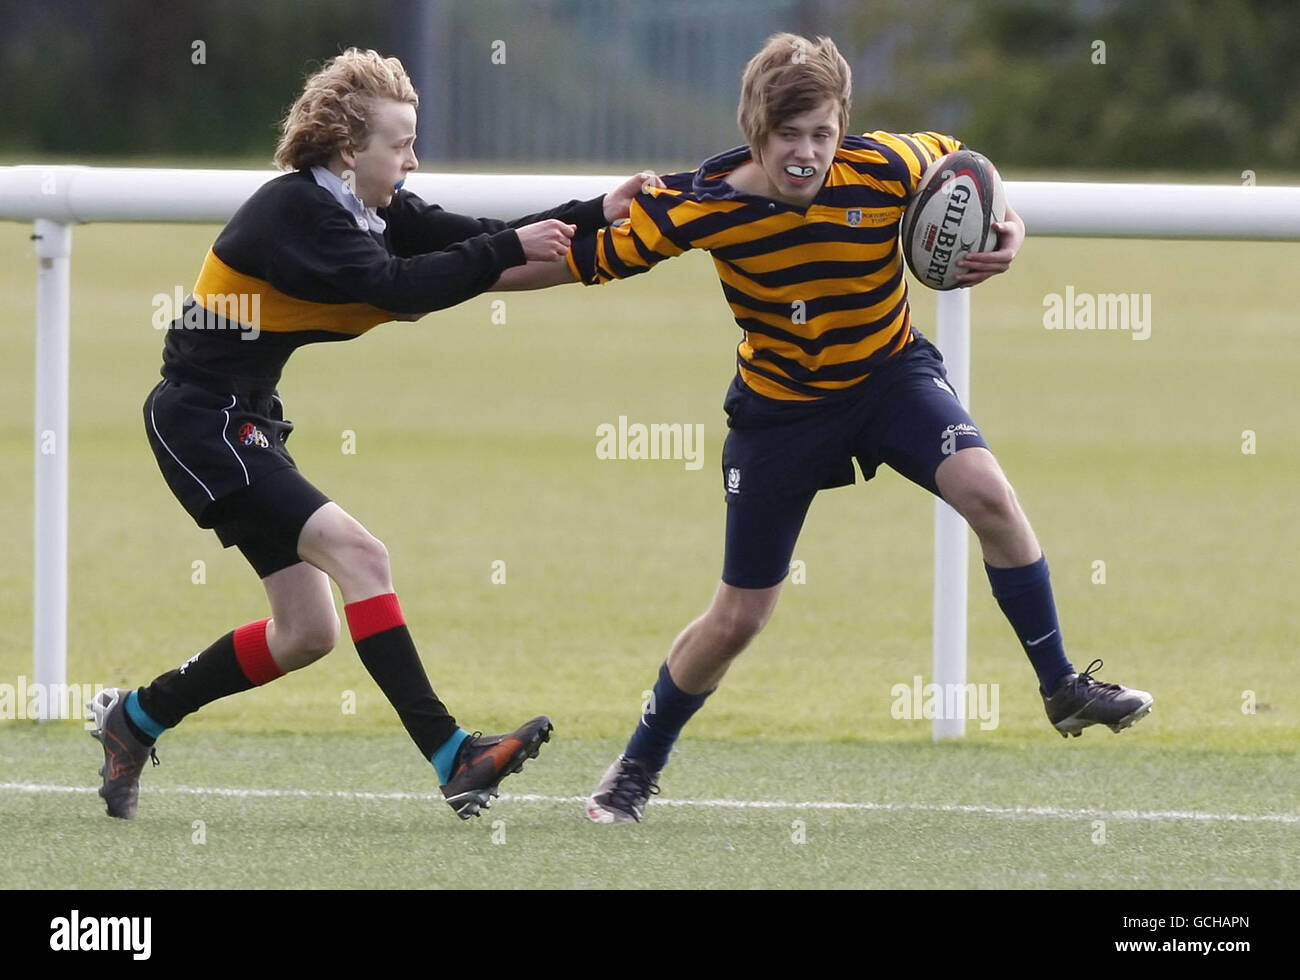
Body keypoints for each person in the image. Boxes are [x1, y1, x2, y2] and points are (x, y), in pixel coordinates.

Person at [499, 33, 1154, 824]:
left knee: (988, 492)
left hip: (889, 378)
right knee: (740, 615)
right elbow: (578, 258)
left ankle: (1062, 688)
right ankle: (637, 764)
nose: (807, 153)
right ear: (756, 131)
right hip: (780, 409)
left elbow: (968, 167)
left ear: (843, 127)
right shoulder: (703, 200)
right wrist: (458, 277)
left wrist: (1007, 227)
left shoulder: (886, 165)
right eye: (789, 136)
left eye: (822, 133)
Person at [89, 48, 654, 821]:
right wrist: (509, 252)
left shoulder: (372, 210)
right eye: (402, 144)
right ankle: (454, 754)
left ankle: (138, 717)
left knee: (306, 632)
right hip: (200, 419)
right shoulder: (299, 213)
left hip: (243, 418)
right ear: (351, 150)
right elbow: (400, 284)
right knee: (363, 555)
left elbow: (480, 244)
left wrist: (605, 217)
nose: (413, 160)